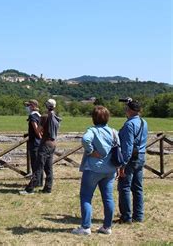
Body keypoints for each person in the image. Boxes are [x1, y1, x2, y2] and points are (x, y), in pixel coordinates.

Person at [72, 106, 117, 235]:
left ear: (93, 118)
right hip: (110, 169)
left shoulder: (92, 130)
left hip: (93, 168)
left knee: (86, 197)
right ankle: (107, 227)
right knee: (108, 198)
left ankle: (86, 227)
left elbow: (85, 139)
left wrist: (91, 151)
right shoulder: (114, 131)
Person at [117, 99, 148, 224]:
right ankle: (138, 216)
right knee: (138, 188)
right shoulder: (144, 122)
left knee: (124, 187)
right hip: (141, 156)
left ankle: (126, 217)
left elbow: (128, 147)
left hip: (130, 158)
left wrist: (122, 165)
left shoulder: (129, 125)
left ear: (129, 110)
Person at [21, 98, 61, 194]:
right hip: (53, 143)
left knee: (39, 166)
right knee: (48, 168)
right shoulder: (56, 117)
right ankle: (48, 188)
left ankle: (29, 189)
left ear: (46, 106)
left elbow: (38, 131)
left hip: (45, 144)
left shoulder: (44, 117)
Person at [24, 99, 43, 187]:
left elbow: (36, 130)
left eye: (28, 105)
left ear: (33, 106)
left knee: (35, 163)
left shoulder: (32, 117)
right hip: (39, 142)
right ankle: (39, 182)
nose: (27, 107)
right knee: (39, 163)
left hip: (35, 142)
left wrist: (39, 136)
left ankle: (35, 182)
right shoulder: (39, 115)